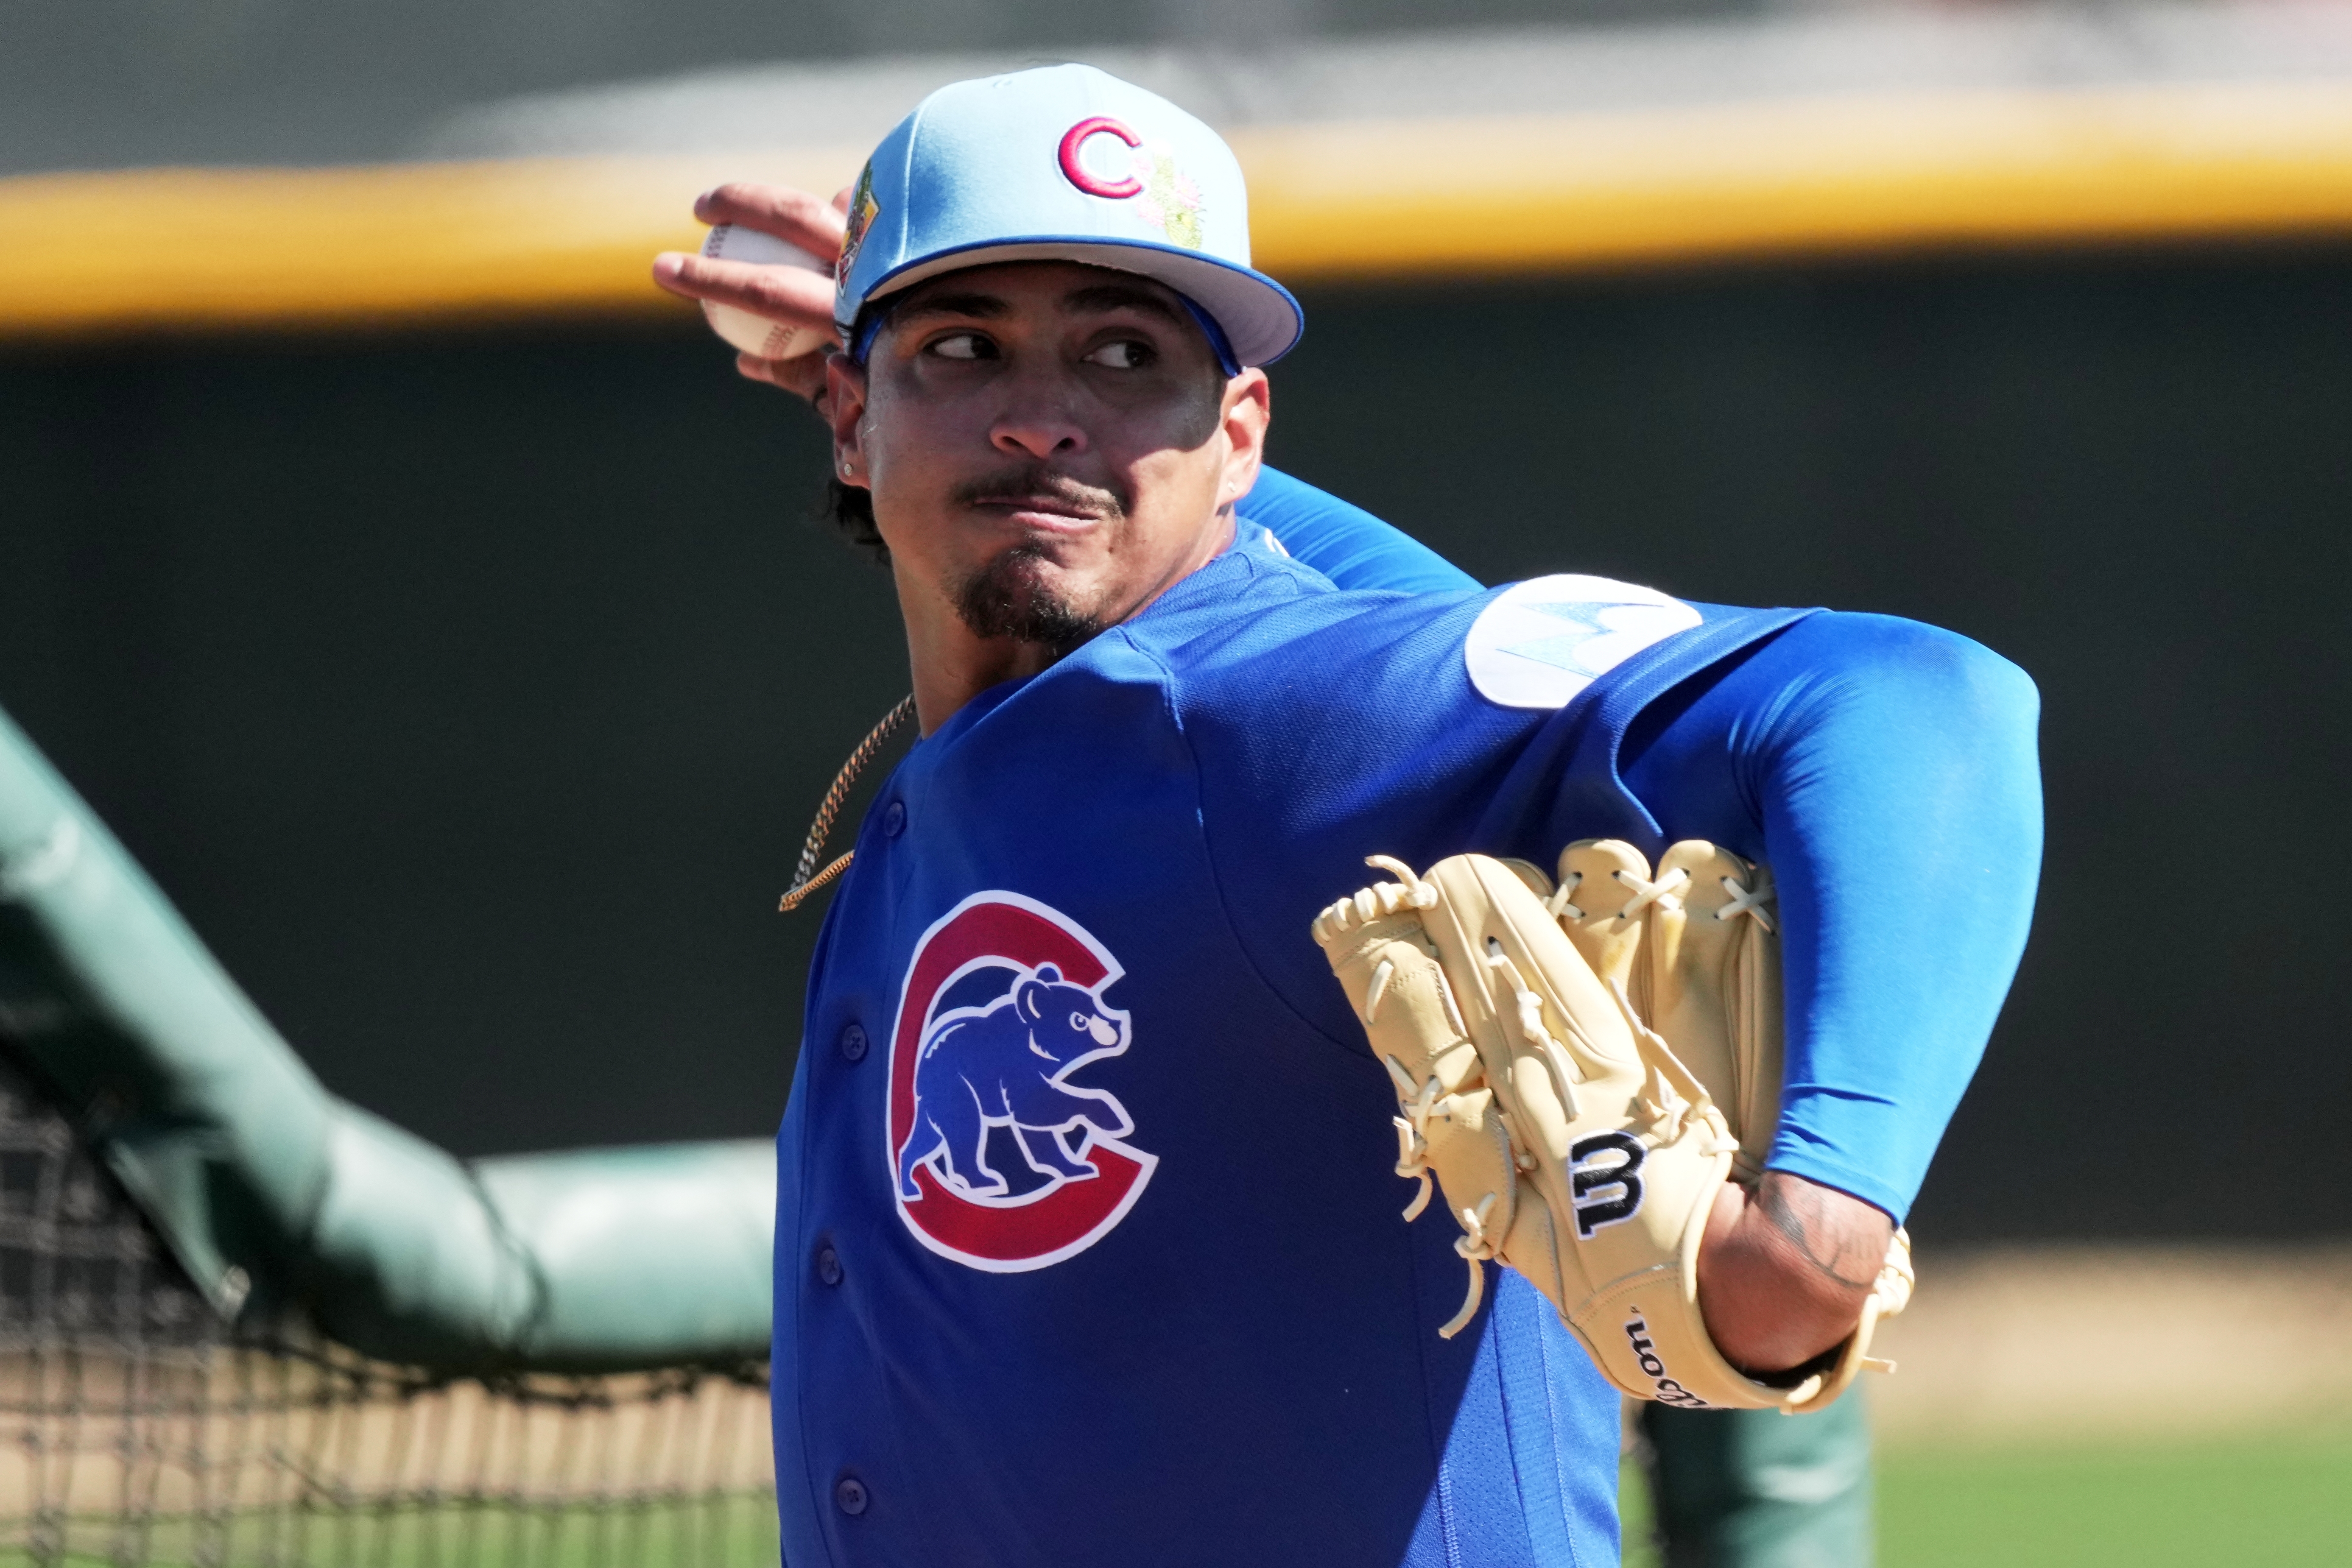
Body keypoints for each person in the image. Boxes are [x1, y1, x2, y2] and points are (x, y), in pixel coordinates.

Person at [654, 64, 2039, 1567]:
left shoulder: (1287, 716)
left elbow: (1919, 699)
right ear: (848, 418)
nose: (1041, 421)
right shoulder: (1092, 713)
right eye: (962, 348)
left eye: (1124, 355)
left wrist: (1821, 1222)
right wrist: (925, 401)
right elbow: (1121, 502)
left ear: (1241, 432)